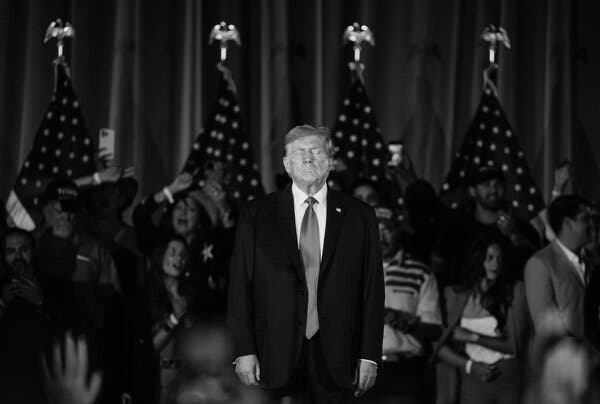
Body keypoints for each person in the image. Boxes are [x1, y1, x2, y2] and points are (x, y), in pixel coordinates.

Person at [228, 125, 384, 402]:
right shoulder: (257, 214)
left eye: (316, 150)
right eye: (300, 151)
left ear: (331, 161)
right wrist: (244, 349)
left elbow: (372, 291)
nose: (308, 157)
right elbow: (241, 287)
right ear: (287, 164)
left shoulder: (360, 216)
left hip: (339, 356)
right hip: (273, 353)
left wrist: (369, 355)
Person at [434, 234, 529, 404]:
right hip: (472, 376)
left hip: (507, 376)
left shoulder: (514, 291)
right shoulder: (454, 295)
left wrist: (472, 336)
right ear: (477, 260)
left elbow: (515, 346)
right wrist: (469, 366)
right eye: (490, 258)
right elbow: (438, 345)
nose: (495, 264)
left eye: (499, 259)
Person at [369, 206, 441, 403]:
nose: (381, 237)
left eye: (388, 230)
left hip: (404, 372)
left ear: (398, 232)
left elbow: (433, 330)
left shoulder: (420, 273)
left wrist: (396, 318)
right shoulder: (349, 271)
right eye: (376, 230)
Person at [133, 172, 231, 315]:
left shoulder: (207, 246)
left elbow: (234, 241)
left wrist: (223, 206)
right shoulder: (159, 242)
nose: (183, 212)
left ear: (200, 219)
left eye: (191, 209)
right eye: (179, 207)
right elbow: (140, 215)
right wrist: (171, 189)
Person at [433, 166, 539, 288]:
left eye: (498, 184)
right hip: (465, 300)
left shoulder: (520, 228)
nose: (493, 190)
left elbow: (537, 264)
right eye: (486, 184)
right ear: (473, 191)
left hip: (507, 300)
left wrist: (514, 235)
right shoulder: (457, 226)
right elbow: (438, 262)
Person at [524, 195, 595, 342]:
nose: (592, 225)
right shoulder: (540, 264)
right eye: (585, 219)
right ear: (568, 224)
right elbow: (547, 328)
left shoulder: (589, 262)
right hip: (563, 361)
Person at [145, 235, 199, 403]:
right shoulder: (148, 294)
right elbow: (149, 346)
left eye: (183, 254)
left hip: (187, 378)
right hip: (158, 377)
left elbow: (195, 341)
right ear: (161, 255)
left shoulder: (190, 295)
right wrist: (174, 319)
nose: (178, 258)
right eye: (172, 252)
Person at [0, 228, 49, 403]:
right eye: (11, 251)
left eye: (24, 249)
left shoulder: (52, 285)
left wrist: (40, 303)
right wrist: (3, 303)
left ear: (33, 251)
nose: (18, 257)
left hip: (42, 386)